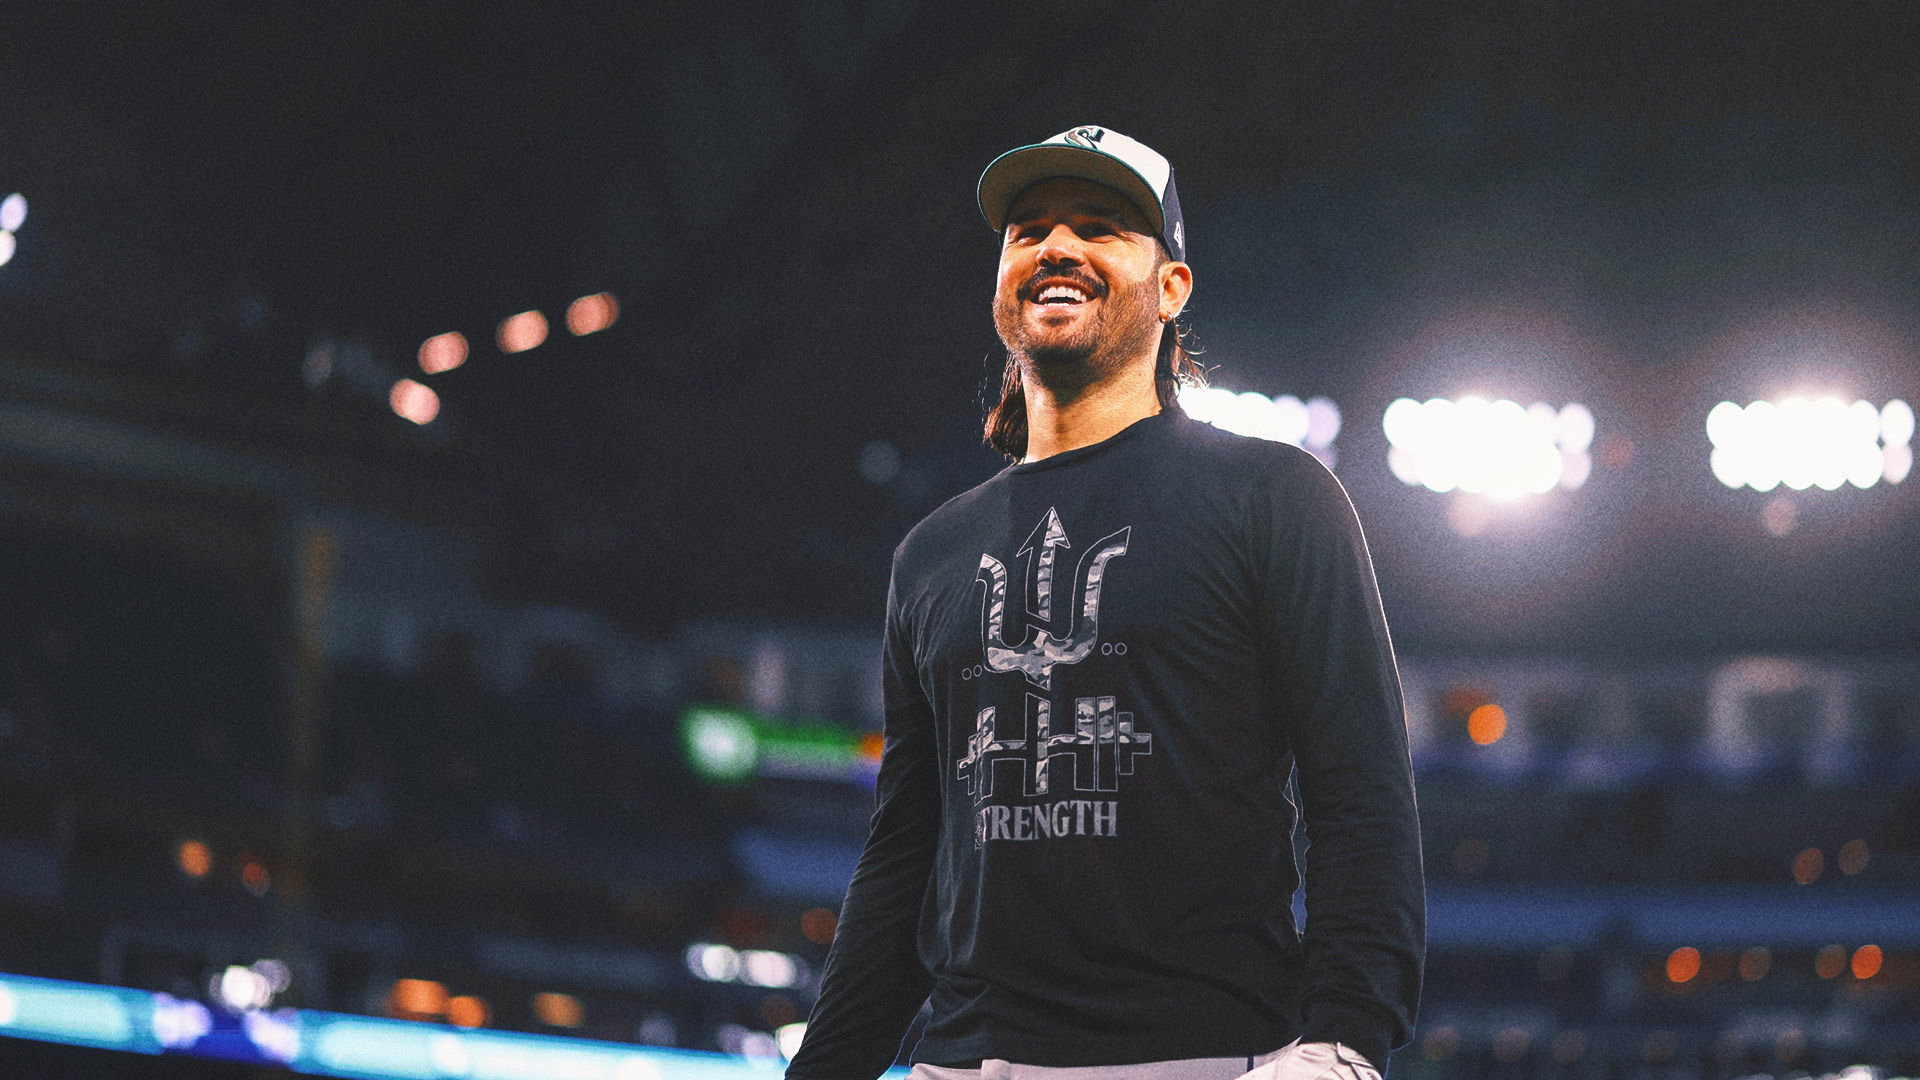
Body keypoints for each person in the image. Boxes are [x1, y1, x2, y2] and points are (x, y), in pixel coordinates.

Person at [786, 127, 1423, 1080]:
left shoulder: (1274, 498)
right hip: (962, 1059)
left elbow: (1361, 789)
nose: (1056, 247)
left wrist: (1346, 1040)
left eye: (1099, 227)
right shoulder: (932, 555)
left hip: (1198, 1053)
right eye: (1029, 230)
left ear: (1171, 288)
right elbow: (907, 853)